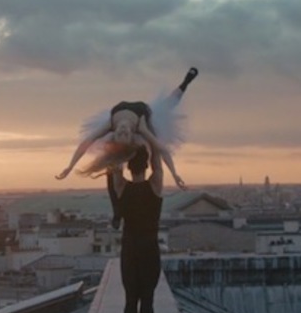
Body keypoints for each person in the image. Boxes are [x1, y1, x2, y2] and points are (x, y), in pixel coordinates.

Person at [56, 67, 197, 228]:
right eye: (124, 134)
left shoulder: (112, 125)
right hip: (144, 121)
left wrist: (70, 166)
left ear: (115, 133)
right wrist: (174, 173)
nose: (122, 131)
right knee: (113, 167)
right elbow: (162, 150)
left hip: (145, 123)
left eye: (120, 134)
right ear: (131, 135)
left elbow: (86, 142)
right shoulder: (141, 127)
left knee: (167, 105)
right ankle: (117, 211)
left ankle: (185, 83)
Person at [111, 145, 164, 313]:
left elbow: (115, 165)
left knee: (130, 299)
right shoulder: (155, 186)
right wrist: (150, 137)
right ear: (147, 164)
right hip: (150, 248)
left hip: (129, 249)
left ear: (129, 166)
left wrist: (125, 142)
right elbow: (158, 162)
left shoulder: (122, 187)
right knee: (148, 299)